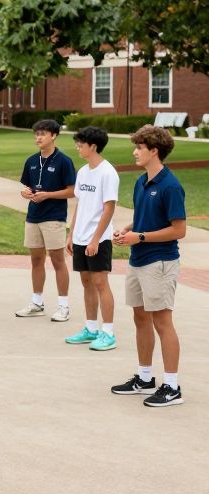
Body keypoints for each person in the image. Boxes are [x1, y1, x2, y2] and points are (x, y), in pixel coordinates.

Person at [111, 125, 187, 407]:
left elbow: (179, 230)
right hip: (138, 259)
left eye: (139, 148)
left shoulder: (170, 186)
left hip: (160, 262)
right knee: (140, 318)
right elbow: (144, 217)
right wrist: (127, 230)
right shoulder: (141, 182)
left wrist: (139, 237)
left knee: (162, 322)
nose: (134, 152)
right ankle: (145, 378)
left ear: (154, 151)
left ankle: (172, 387)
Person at [14, 119, 76, 321]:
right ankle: (37, 302)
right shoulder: (31, 161)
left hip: (54, 218)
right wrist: (26, 193)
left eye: (42, 134)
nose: (38, 137)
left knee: (58, 261)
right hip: (33, 217)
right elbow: (28, 187)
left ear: (54, 136)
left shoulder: (64, 161)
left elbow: (71, 191)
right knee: (36, 260)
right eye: (36, 134)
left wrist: (47, 195)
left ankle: (63, 306)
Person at [64, 126, 118, 351]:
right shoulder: (83, 171)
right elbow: (80, 203)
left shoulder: (108, 172)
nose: (78, 147)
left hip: (99, 238)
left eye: (81, 143)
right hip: (80, 237)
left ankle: (108, 332)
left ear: (93, 146)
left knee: (100, 283)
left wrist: (96, 239)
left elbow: (109, 209)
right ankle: (91, 328)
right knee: (86, 282)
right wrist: (72, 233)